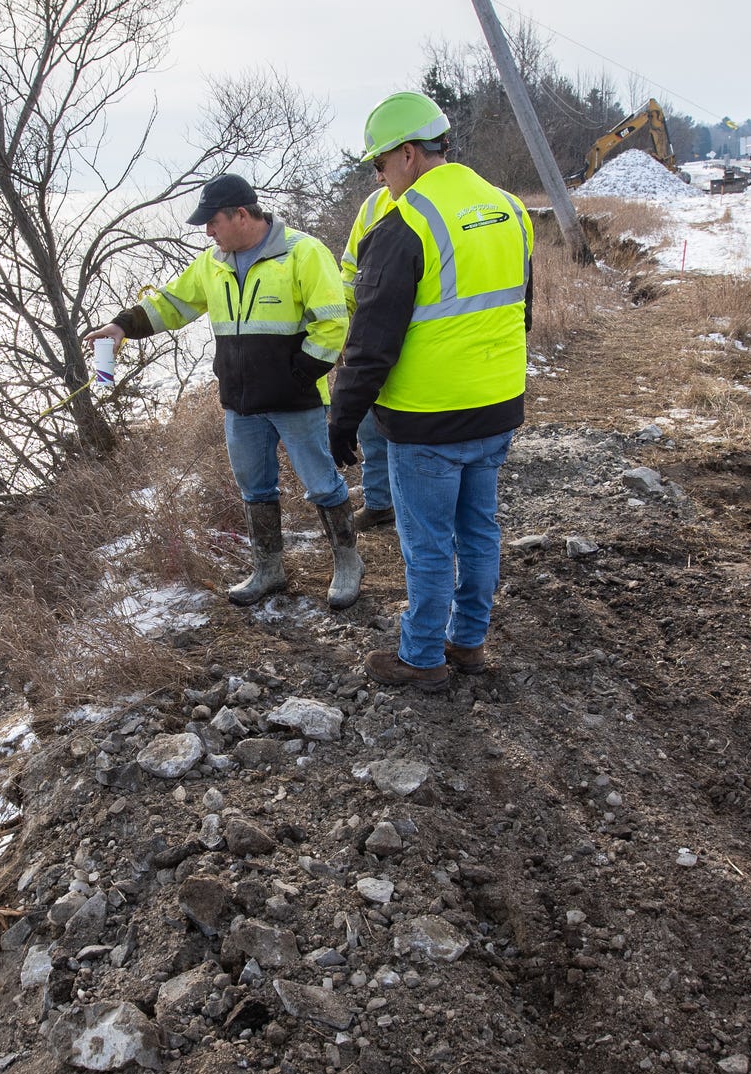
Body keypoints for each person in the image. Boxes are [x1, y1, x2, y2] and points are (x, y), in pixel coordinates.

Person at [328, 93, 532, 689]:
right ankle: (468, 643)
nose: (379, 178)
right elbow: (520, 312)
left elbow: (371, 342)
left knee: (428, 545)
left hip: (427, 418)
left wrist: (343, 419)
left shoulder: (406, 223)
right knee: (479, 530)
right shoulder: (510, 208)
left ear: (410, 154)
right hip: (496, 408)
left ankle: (421, 658)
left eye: (380, 165)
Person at [86, 173, 364, 609]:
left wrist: (297, 376)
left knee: (321, 484)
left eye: (212, 222)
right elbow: (170, 305)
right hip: (240, 405)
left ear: (240, 214)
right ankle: (268, 569)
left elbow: (332, 324)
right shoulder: (212, 263)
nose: (207, 232)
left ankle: (348, 562)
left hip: (296, 401)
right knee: (255, 488)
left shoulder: (302, 252)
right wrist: (122, 326)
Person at [337, 170, 398, 532]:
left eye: (383, 162)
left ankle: (409, 506)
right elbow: (349, 270)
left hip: (421, 341)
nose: (377, 175)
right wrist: (344, 327)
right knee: (368, 426)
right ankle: (379, 503)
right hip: (368, 333)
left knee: (411, 435)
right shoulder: (375, 204)